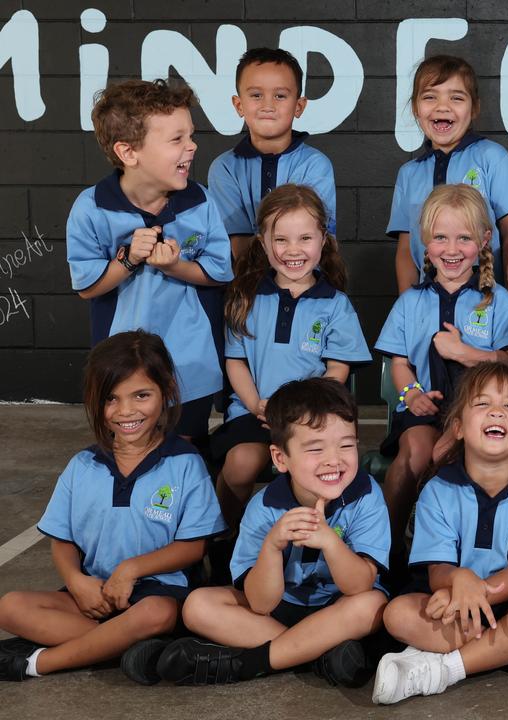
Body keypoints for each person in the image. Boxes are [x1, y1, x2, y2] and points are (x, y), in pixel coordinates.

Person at [0, 331, 225, 683]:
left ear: (165, 392)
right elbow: (62, 540)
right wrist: (75, 582)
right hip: (95, 595)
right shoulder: (82, 465)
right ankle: (130, 648)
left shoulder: (185, 463)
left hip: (156, 594)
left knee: (155, 615)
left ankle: (39, 663)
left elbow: (194, 546)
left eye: (141, 395)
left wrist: (132, 569)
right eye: (111, 399)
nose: (126, 411)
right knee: (10, 606)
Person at [157, 378, 390, 688]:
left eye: (346, 445)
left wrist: (330, 543)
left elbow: (359, 586)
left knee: (371, 605)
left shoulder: (366, 495)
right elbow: (260, 604)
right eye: (315, 448)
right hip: (277, 614)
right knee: (198, 606)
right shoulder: (264, 508)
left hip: (337, 609)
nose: (334, 459)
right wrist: (272, 547)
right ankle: (318, 654)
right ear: (281, 458)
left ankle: (247, 663)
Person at [372, 362, 508, 703]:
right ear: (457, 427)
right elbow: (438, 572)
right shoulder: (437, 490)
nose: (496, 412)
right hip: (459, 611)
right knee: (397, 614)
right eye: (482, 404)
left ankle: (443, 669)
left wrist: (472, 589)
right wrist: (458, 585)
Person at [66, 79, 233, 443]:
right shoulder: (91, 208)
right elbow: (87, 287)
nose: (192, 146)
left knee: (188, 450)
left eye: (191, 135)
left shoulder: (200, 200)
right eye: (177, 139)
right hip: (123, 366)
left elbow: (220, 273)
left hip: (191, 362)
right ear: (128, 152)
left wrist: (175, 266)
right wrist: (126, 261)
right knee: (131, 449)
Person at [375, 184, 508, 562]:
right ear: (426, 242)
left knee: (448, 449)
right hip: (426, 408)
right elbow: (400, 363)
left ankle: (442, 545)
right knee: (414, 453)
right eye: (441, 238)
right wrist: (412, 394)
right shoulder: (411, 302)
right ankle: (386, 548)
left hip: (481, 413)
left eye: (464, 238)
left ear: (485, 240)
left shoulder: (497, 301)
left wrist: (466, 353)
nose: (452, 249)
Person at [210, 183, 369, 534]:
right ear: (263, 241)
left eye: (304, 239)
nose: (292, 250)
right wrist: (255, 404)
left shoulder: (335, 304)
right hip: (256, 412)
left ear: (322, 240)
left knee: (312, 469)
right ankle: (224, 537)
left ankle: (310, 541)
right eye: (281, 240)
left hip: (310, 418)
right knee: (240, 464)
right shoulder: (245, 297)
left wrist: (302, 410)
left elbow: (337, 369)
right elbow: (235, 361)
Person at [388, 55, 508, 304]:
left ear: (473, 108)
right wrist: (408, 308)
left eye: (456, 98)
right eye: (430, 97)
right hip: (428, 304)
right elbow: (404, 252)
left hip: (484, 304)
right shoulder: (409, 173)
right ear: (415, 108)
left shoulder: (492, 158)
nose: (443, 107)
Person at [208, 47, 337, 261]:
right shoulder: (224, 168)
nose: (268, 105)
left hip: (305, 284)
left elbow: (319, 242)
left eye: (280, 96)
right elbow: (236, 246)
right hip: (246, 284)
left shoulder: (316, 165)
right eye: (256, 95)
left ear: (299, 106)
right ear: (239, 105)